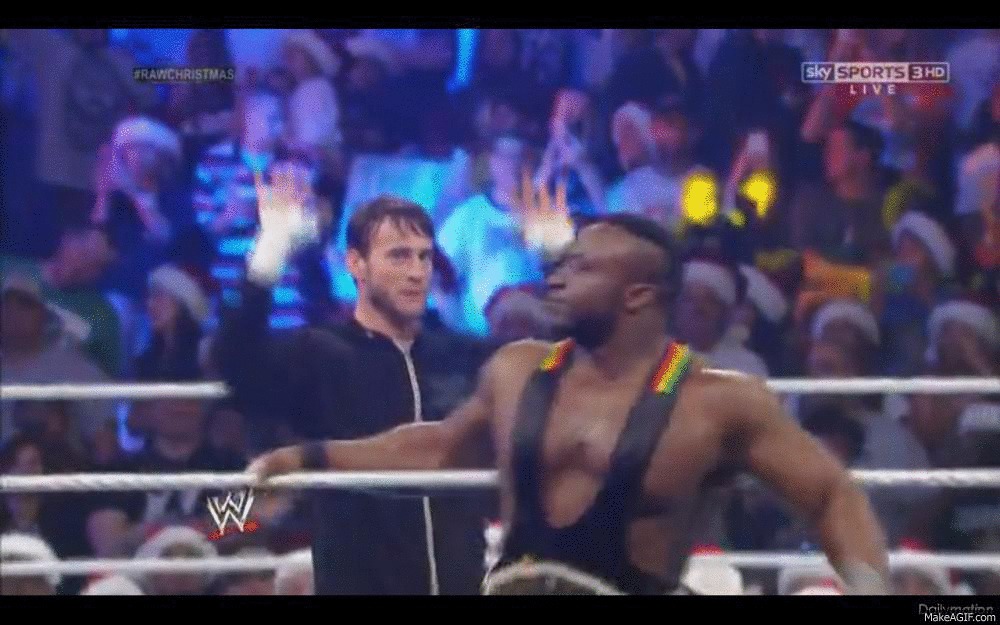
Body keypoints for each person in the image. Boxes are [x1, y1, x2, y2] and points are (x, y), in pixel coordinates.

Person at [248, 212, 890, 595]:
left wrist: (870, 589)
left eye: (580, 268)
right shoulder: (517, 370)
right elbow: (441, 445)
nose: (554, 277)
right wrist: (308, 457)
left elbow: (830, 493)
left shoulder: (718, 403)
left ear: (638, 295)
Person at [216, 180, 490, 594]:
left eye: (424, 257)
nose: (417, 272)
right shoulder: (319, 352)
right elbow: (236, 364)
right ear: (356, 264)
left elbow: (550, 364)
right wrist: (269, 254)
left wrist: (557, 259)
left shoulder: (457, 354)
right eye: (399, 255)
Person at [437, 135, 546, 336]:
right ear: (492, 161)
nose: (512, 165)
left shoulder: (546, 214)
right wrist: (455, 327)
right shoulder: (468, 214)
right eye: (505, 157)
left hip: (535, 338)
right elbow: (440, 274)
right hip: (478, 339)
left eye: (519, 157)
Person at [0, 273, 117, 449]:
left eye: (25, 304)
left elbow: (105, 444)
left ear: (43, 316)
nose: (13, 313)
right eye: (5, 306)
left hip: (58, 463)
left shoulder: (76, 369)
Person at [673, 258, 769, 377]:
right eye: (689, 300)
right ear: (677, 308)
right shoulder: (666, 358)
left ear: (723, 313)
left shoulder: (747, 364)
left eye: (709, 301)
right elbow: (661, 389)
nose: (698, 308)